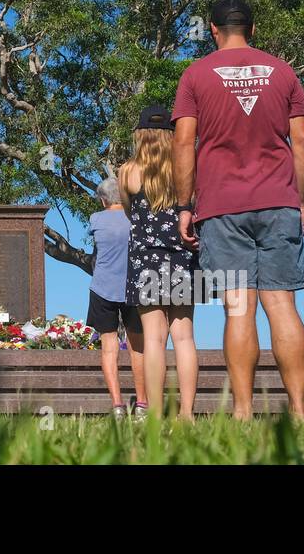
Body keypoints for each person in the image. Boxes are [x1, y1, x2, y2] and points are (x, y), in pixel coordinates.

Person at [171, 0, 304, 419]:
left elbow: (183, 143)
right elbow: (303, 142)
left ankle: (243, 411)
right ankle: (301, 410)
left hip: (222, 207)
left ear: (213, 30)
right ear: (252, 30)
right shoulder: (283, 71)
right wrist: (300, 199)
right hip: (278, 202)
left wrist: (184, 205)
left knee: (239, 306)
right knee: (283, 305)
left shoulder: (196, 74)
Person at [119, 104, 199, 420]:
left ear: (139, 134)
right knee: (185, 336)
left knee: (153, 337)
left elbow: (130, 212)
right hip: (183, 254)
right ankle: (188, 414)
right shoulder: (189, 168)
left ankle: (153, 413)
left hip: (145, 257)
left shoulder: (128, 171)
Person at [87, 176, 147, 417]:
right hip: (135, 287)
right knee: (138, 349)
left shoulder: (96, 219)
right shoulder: (137, 218)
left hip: (103, 288)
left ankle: (118, 406)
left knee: (109, 349)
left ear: (103, 201)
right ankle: (142, 404)